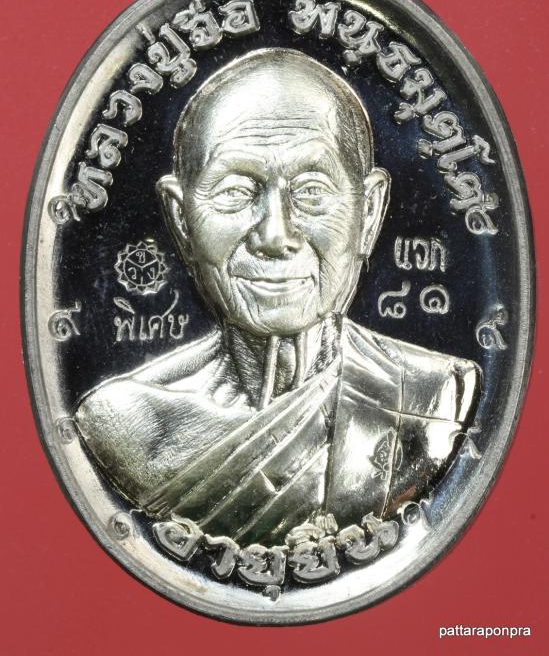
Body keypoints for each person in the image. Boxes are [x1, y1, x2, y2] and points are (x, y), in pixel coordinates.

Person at [76, 48, 479, 547]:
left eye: (311, 191)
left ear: (369, 212)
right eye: (235, 192)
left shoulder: (433, 394)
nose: (275, 235)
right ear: (181, 218)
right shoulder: (127, 423)